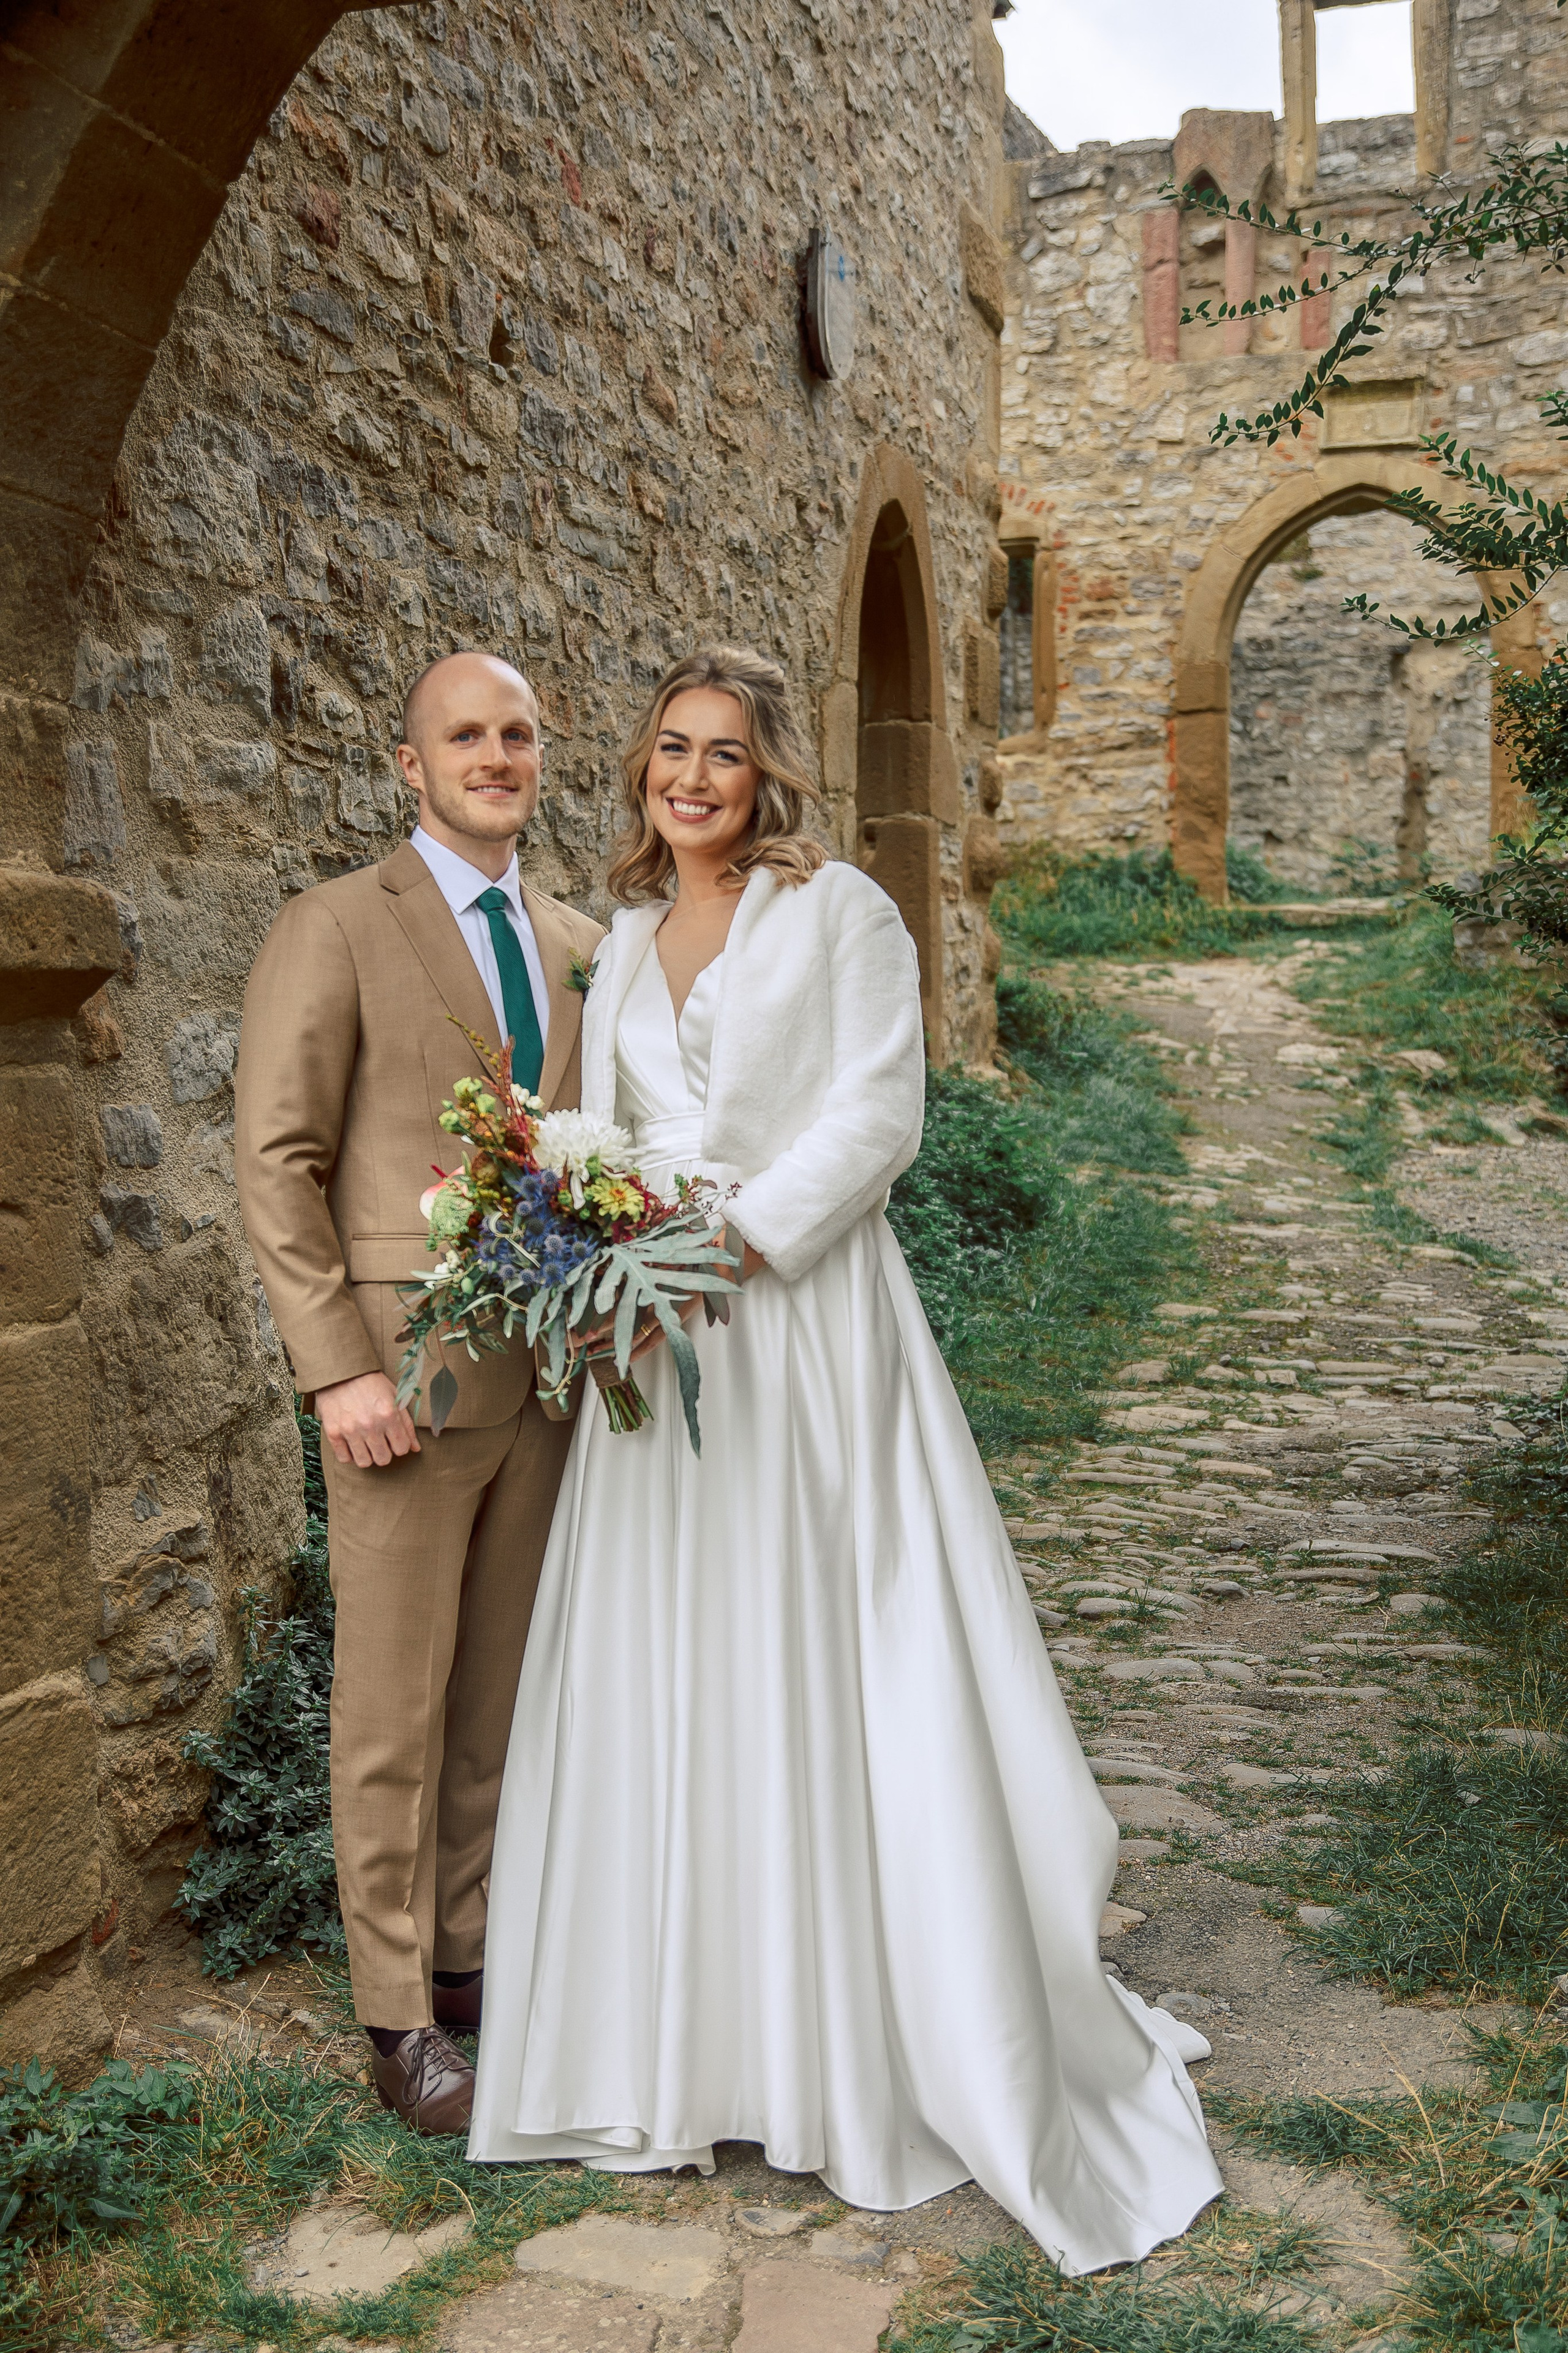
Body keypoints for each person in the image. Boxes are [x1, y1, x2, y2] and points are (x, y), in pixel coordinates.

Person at [467, 646, 1224, 2271]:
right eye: (669, 747)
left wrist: (717, 1254)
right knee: (675, 1665)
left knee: (825, 1650)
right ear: (641, 771)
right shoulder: (612, 953)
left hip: (802, 1331)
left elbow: (880, 1115)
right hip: (657, 1366)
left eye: (722, 753)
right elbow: (588, 1135)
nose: (692, 777)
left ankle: (856, 2040)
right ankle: (683, 2043)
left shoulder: (845, 915)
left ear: (767, 775)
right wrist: (592, 1268)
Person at [233, 651, 603, 2134]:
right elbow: (278, 1158)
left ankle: (466, 1963)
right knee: (390, 1703)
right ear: (411, 763)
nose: (495, 754)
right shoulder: (334, 925)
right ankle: (395, 2018)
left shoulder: (584, 941)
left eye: (517, 731)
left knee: (495, 1697)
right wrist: (334, 1369)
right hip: (401, 1377)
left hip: (554, 1376)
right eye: (466, 734)